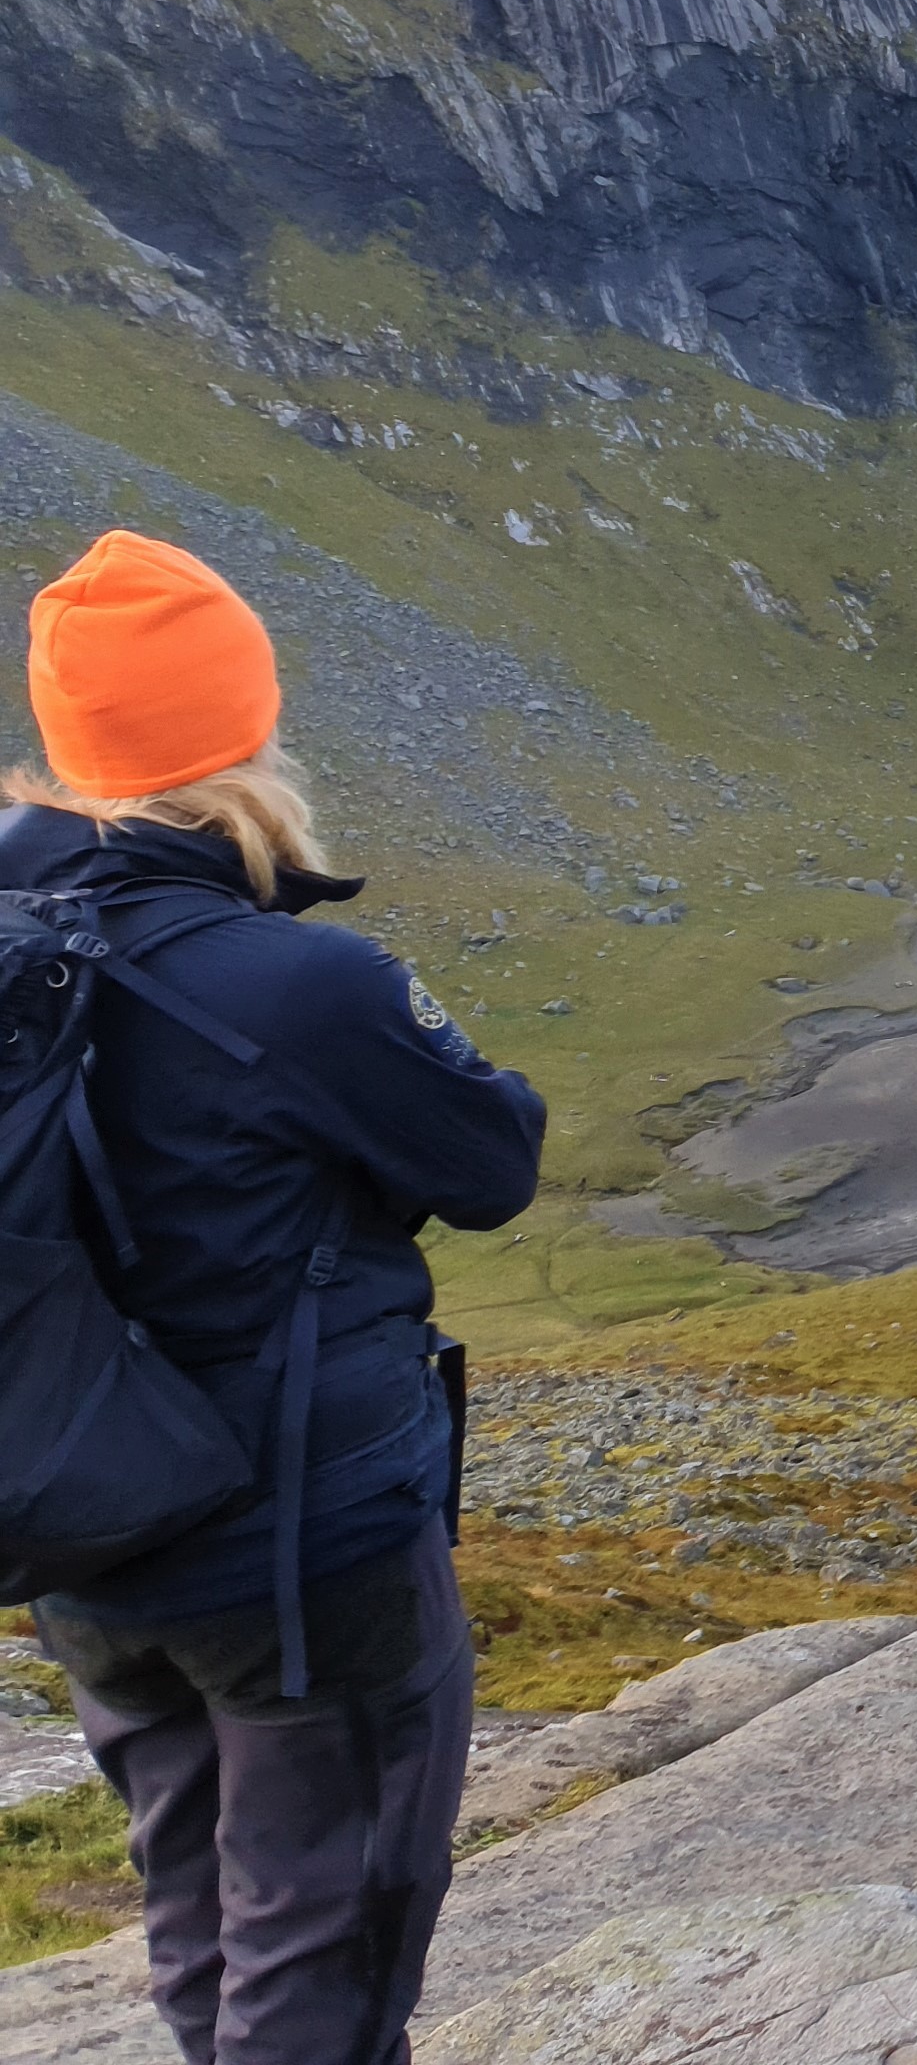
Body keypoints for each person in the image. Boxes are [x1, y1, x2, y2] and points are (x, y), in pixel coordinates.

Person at [4, 530, 544, 2065]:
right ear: (245, 728)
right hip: (303, 1548)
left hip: (80, 1528)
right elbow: (492, 1158)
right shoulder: (303, 986)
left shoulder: (10, 943)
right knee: (327, 1939)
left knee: (202, 1910)